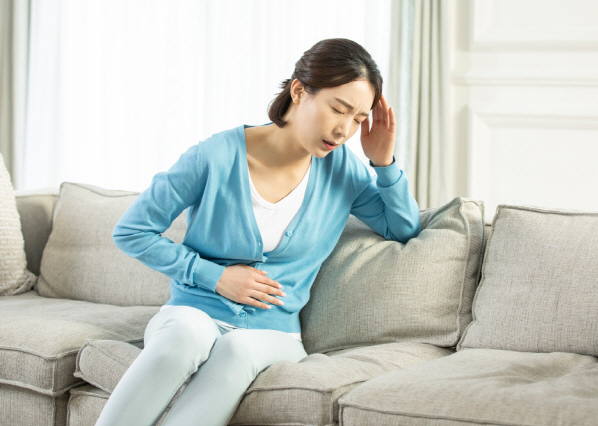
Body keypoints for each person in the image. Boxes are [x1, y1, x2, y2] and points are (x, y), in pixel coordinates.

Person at [95, 37, 422, 426]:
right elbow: (132, 231)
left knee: (238, 349)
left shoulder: (344, 172)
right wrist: (214, 277)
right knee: (185, 336)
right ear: (298, 91)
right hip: (193, 311)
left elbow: (402, 227)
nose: (344, 130)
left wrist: (383, 162)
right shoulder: (214, 156)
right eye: (338, 109)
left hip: (274, 334)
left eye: (357, 119)